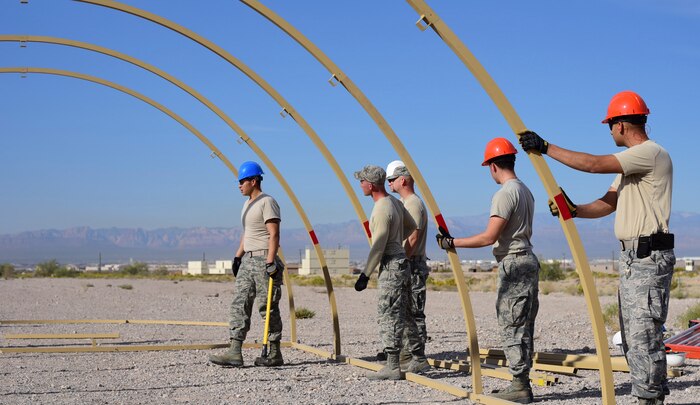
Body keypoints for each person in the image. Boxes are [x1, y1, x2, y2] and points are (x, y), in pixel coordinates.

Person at [519, 91, 674, 405]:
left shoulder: (650, 154)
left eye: (610, 124)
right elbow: (608, 203)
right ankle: (648, 396)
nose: (609, 131)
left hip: (648, 258)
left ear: (620, 124)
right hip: (634, 259)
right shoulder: (630, 166)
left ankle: (650, 399)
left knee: (644, 337)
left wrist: (546, 147)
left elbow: (592, 164)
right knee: (634, 340)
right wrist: (575, 210)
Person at [436, 138, 539, 404]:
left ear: (493, 165)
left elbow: (488, 237)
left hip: (514, 263)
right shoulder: (526, 190)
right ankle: (521, 381)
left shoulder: (505, 193)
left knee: (512, 324)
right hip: (527, 260)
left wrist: (452, 242)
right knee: (523, 325)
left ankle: (519, 385)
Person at [209, 161, 285, 368]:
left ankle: (274, 352)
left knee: (267, 307)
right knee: (239, 303)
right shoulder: (247, 204)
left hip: (263, 260)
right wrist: (237, 256)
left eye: (242, 181)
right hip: (248, 260)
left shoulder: (267, 202)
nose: (239, 185)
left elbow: (274, 234)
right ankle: (235, 351)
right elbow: (248, 233)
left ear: (254, 181)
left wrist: (270, 261)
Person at [353, 164, 418, 380]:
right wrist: (396, 240)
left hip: (391, 264)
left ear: (370, 185)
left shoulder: (381, 207)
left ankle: (392, 365)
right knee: (404, 312)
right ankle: (414, 357)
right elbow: (411, 225)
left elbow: (378, 244)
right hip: (401, 261)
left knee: (388, 314)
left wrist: (365, 274)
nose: (360, 185)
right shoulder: (395, 203)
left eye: (362, 181)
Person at [385, 160, 431, 374]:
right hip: (409, 261)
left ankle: (417, 356)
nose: (389, 184)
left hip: (411, 263)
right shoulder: (406, 203)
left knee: (413, 310)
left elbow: (412, 238)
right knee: (403, 311)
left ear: (402, 179)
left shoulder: (413, 203)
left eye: (391, 180)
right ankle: (407, 354)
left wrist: (402, 261)